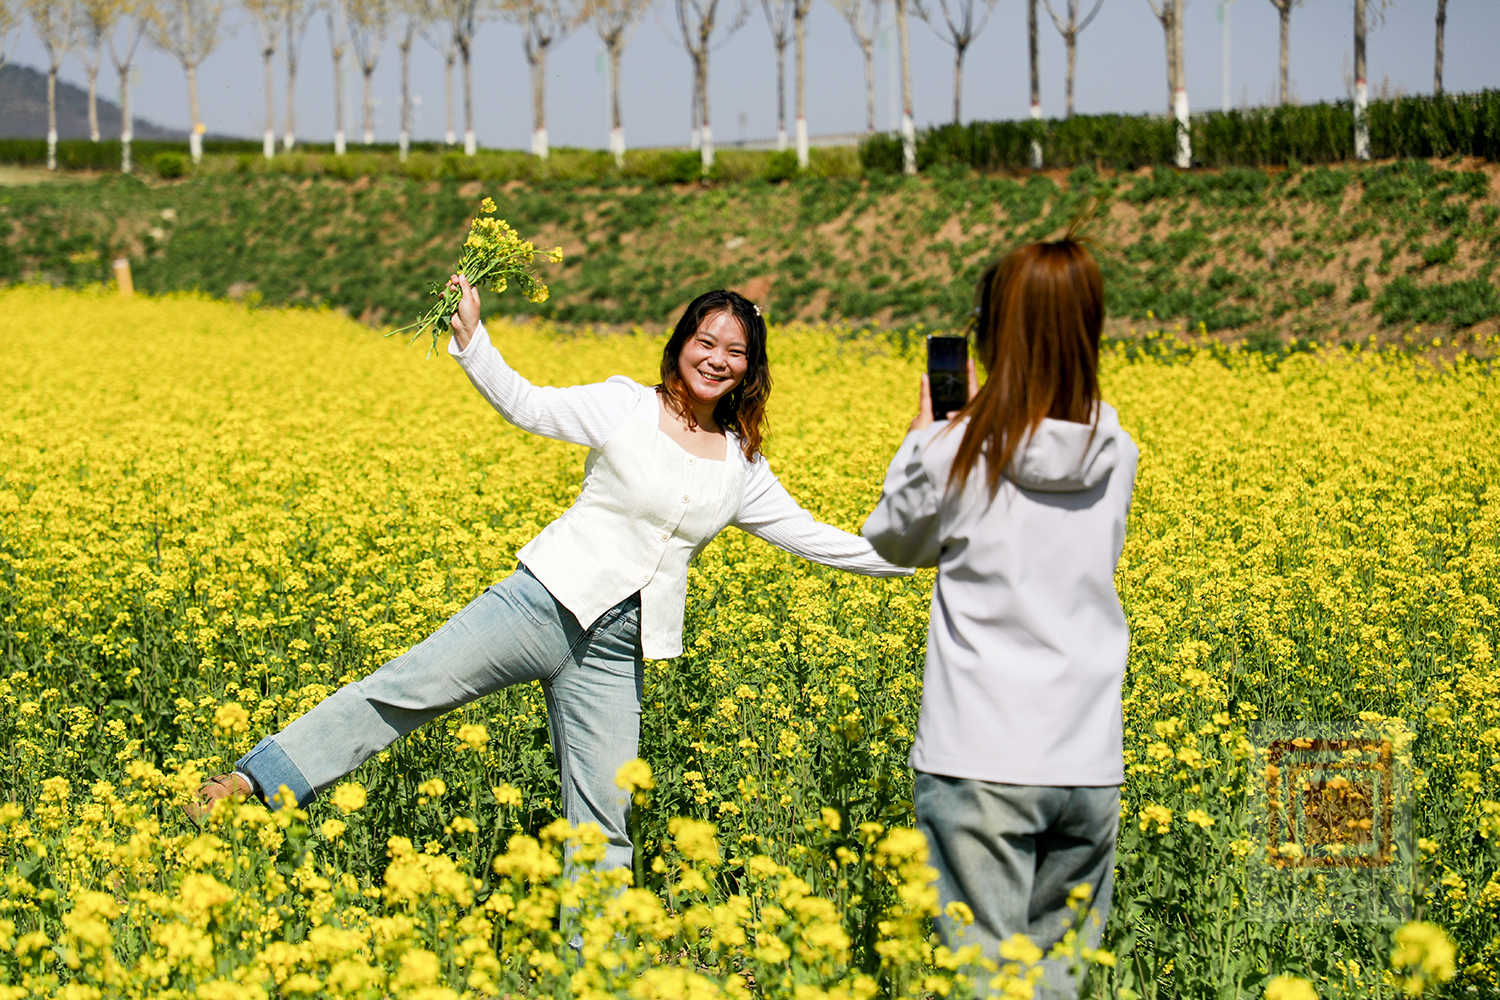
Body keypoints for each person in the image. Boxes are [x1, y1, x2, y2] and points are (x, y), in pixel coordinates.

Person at [190, 277, 910, 878]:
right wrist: (473, 338)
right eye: (705, 341)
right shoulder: (627, 405)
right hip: (540, 604)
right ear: (681, 345)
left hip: (616, 647)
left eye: (735, 352)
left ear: (750, 369)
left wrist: (935, 549)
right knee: (403, 690)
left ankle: (592, 960)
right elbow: (528, 404)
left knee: (604, 814)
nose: (716, 359)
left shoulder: (742, 465)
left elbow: (820, 540)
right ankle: (249, 783)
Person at [860, 237, 1137, 1000]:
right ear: (1089, 328)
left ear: (992, 335)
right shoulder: (1117, 450)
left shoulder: (958, 450)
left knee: (984, 983)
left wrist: (925, 437)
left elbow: (893, 539)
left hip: (980, 755)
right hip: (1087, 762)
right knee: (1056, 984)